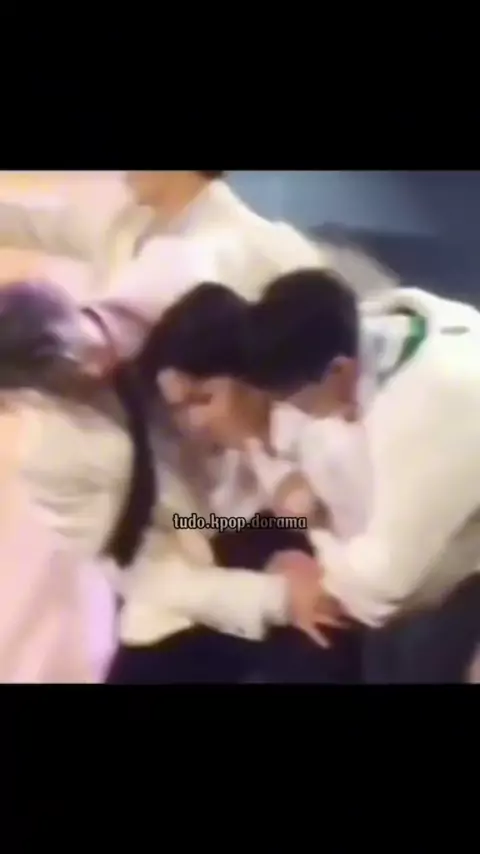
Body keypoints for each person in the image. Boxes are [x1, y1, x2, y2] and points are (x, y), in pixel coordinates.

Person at [0, 280, 347, 683]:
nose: (92, 367)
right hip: (187, 570)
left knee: (322, 646)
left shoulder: (164, 301)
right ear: (23, 398)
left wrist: (288, 536)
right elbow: (144, 572)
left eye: (81, 347)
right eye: (62, 376)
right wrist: (277, 597)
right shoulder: (50, 462)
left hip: (264, 514)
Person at [143, 273, 480, 682]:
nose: (192, 422)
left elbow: (378, 580)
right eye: (176, 408)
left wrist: (301, 559)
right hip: (282, 572)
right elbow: (204, 530)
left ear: (249, 381)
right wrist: (276, 578)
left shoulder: (328, 424)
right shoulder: (235, 452)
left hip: (373, 587)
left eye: (204, 399)